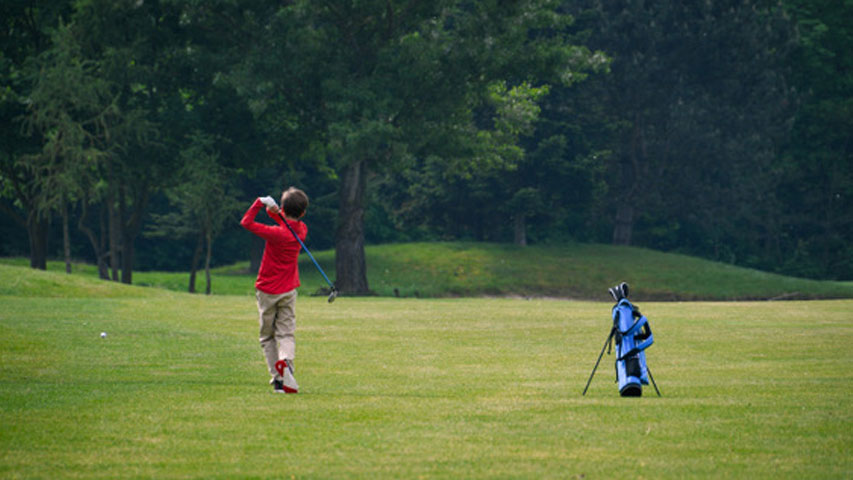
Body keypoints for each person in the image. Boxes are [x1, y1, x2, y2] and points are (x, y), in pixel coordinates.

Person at [239, 187, 309, 394]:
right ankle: (285, 362)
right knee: (286, 333)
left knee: (267, 336)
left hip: (267, 291)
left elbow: (246, 223)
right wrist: (274, 210)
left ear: (284, 207)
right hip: (289, 290)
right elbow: (285, 220)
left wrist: (260, 202)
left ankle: (278, 380)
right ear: (303, 213)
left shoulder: (276, 234)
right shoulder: (302, 229)